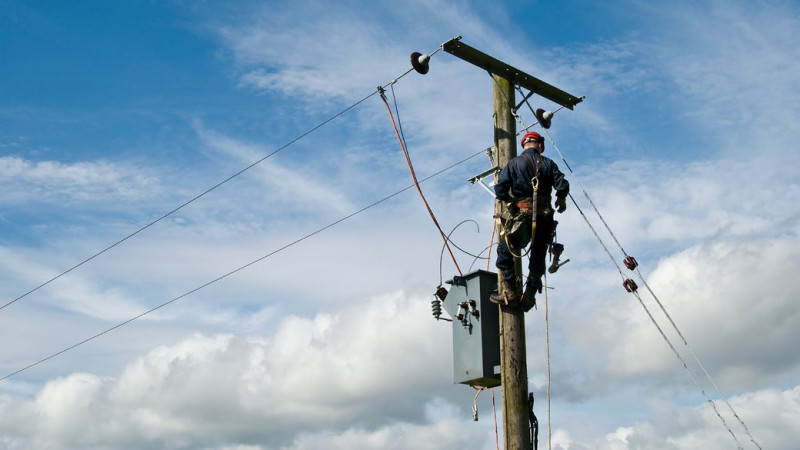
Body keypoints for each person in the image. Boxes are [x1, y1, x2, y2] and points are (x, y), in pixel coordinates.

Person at [490, 131, 569, 310]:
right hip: (545, 218)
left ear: (524, 146)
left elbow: (501, 189)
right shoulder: (549, 164)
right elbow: (562, 184)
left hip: (523, 217)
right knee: (538, 255)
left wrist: (510, 201)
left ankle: (510, 293)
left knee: (505, 250)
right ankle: (529, 296)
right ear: (540, 145)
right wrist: (561, 199)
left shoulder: (514, 163)